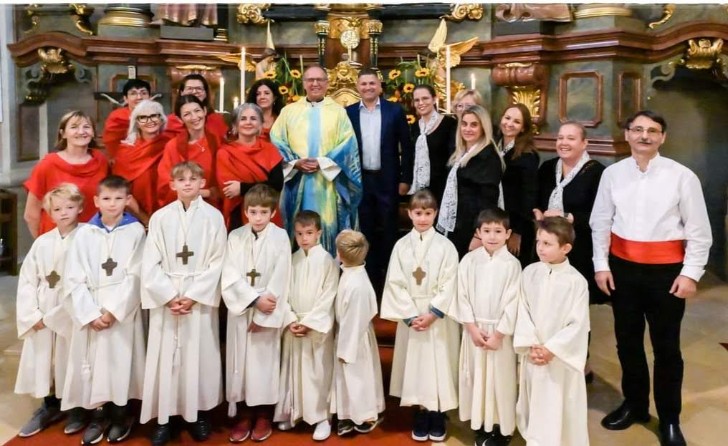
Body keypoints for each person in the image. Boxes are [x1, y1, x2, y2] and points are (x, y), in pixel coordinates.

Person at [590, 110, 712, 446]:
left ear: (663, 137)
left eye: (653, 131)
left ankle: (670, 418)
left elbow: (699, 231)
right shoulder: (613, 174)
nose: (645, 135)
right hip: (623, 270)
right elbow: (601, 221)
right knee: (627, 342)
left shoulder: (682, 176)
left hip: (666, 273)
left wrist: (690, 273)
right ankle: (635, 405)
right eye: (638, 129)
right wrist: (601, 264)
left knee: (666, 348)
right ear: (627, 134)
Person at [140, 161, 226, 446]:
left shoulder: (213, 217)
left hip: (197, 298)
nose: (187, 183)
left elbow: (218, 261)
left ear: (202, 183)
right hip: (167, 296)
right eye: (181, 179)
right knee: (166, 358)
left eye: (193, 178)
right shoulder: (160, 218)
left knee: (198, 355)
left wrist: (193, 296)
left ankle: (198, 414)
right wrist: (167, 295)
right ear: (172, 184)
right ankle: (164, 418)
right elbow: (149, 261)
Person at [61, 175, 146, 445]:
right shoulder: (85, 233)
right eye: (106, 198)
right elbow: (73, 277)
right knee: (93, 364)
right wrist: (90, 314)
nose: (112, 204)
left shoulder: (136, 231)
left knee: (120, 363)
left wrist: (113, 311)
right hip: (92, 307)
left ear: (127, 200)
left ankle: (121, 415)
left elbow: (136, 275)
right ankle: (98, 415)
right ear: (96, 201)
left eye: (118, 198)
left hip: (121, 312)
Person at [381, 190, 460, 443]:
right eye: (418, 213)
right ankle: (421, 412)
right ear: (409, 213)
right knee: (416, 366)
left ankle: (437, 412)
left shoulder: (446, 246)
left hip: (437, 318)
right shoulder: (401, 246)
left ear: (435, 213)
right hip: (412, 315)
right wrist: (410, 315)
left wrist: (433, 313)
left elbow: (451, 282)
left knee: (438, 364)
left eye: (428, 213)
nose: (423, 218)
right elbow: (394, 282)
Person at [534, 121, 606, 382]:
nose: (564, 142)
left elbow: (602, 214)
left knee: (575, 310)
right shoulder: (547, 168)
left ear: (584, 143)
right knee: (548, 305)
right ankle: (546, 355)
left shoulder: (597, 172)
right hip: (546, 249)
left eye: (571, 138)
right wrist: (537, 213)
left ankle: (580, 362)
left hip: (578, 251)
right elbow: (536, 200)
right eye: (560, 137)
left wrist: (569, 217)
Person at [221, 184, 292, 443]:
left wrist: (265, 314)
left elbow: (282, 277)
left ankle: (263, 413)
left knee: (263, 363)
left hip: (267, 310)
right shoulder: (235, 237)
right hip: (242, 308)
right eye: (253, 212)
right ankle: (243, 412)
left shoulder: (281, 237)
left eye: (264, 212)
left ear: (273, 213)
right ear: (245, 212)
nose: (258, 217)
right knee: (239, 361)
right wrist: (253, 300)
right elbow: (229, 274)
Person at [270, 64, 362, 256]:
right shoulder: (289, 111)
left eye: (319, 79)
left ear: (327, 83)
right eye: (310, 80)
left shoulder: (338, 112)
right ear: (303, 83)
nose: (315, 84)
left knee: (326, 224)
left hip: (327, 184)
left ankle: (327, 267)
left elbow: (348, 144)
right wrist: (295, 163)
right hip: (296, 181)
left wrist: (323, 162)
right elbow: (276, 140)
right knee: (298, 225)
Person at [15, 184, 83, 438]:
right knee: (47, 359)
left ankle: (77, 408)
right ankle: (50, 404)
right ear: (49, 213)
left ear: (80, 207)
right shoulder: (42, 242)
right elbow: (27, 280)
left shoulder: (88, 238)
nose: (63, 213)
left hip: (71, 308)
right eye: (57, 209)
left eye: (69, 207)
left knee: (71, 357)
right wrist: (32, 315)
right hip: (43, 309)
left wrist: (59, 315)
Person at [514, 217, 590, 446]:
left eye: (547, 244)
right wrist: (531, 343)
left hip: (559, 359)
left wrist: (551, 349)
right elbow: (522, 309)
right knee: (535, 404)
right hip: (533, 352)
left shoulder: (576, 282)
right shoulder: (530, 273)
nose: (540, 248)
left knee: (559, 406)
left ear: (565, 248)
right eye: (538, 241)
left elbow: (578, 324)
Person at [455, 208, 520, 446]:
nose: (492, 236)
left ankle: (502, 428)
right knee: (478, 378)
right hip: (475, 332)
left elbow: (514, 303)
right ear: (478, 233)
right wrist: (471, 328)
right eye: (487, 230)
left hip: (499, 335)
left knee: (500, 381)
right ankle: (482, 423)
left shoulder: (512, 265)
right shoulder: (469, 261)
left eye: (498, 231)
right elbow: (461, 295)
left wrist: (499, 335)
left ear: (508, 234)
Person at [346, 67, 414, 293]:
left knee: (388, 229)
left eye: (372, 83)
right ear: (358, 87)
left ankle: (390, 281)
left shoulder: (394, 111)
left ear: (379, 86)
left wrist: (406, 178)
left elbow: (407, 147)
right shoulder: (349, 113)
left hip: (388, 180)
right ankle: (369, 280)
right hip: (361, 181)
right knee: (365, 230)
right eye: (364, 84)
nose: (368, 87)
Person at [274, 210, 339, 440]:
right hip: (296, 323)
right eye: (300, 233)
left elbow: (329, 295)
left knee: (317, 372)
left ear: (319, 233)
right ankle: (296, 413)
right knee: (295, 370)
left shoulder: (327, 261)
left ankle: (322, 417)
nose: (304, 238)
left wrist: (310, 322)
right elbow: (283, 292)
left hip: (316, 326)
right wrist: (291, 318)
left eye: (309, 233)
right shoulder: (292, 260)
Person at [332, 229, 385, 436]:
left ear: (340, 254)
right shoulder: (351, 273)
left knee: (359, 378)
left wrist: (346, 349)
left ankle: (366, 415)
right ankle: (347, 414)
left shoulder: (356, 284)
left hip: (354, 339)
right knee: (349, 380)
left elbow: (353, 320)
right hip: (350, 335)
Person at [24, 110, 109, 238]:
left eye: (86, 127)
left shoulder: (101, 160)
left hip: (93, 237)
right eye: (74, 127)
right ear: (63, 133)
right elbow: (31, 214)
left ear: (93, 133)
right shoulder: (48, 165)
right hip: (59, 238)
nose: (81, 131)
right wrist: (43, 243)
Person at [436, 104, 503, 258]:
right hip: (456, 224)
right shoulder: (460, 152)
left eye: (474, 125)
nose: (467, 129)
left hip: (471, 229)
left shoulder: (489, 157)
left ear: (483, 128)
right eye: (464, 124)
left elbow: (488, 202)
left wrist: (479, 235)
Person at [216, 103, 284, 231]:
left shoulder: (270, 149)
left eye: (253, 118)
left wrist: (242, 188)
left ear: (260, 124)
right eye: (243, 119)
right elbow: (229, 190)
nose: (248, 122)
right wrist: (261, 185)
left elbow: (277, 184)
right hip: (238, 213)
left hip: (267, 210)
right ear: (235, 125)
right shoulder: (225, 153)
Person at [113, 99, 172, 226]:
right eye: (143, 117)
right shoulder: (126, 151)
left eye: (154, 115)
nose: (149, 121)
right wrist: (145, 220)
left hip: (169, 214)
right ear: (137, 123)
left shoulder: (171, 144)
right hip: (135, 217)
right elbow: (120, 190)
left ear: (161, 119)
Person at [157, 95, 220, 209]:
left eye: (197, 111)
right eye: (187, 114)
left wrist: (208, 193)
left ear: (205, 111)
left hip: (213, 207)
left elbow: (225, 180)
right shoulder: (173, 146)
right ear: (180, 119)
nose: (194, 117)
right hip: (182, 208)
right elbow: (165, 183)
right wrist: (194, 194)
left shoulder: (218, 142)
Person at [496, 103, 539, 267]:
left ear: (523, 128)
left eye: (516, 121)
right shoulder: (494, 146)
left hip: (516, 224)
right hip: (495, 220)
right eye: (507, 118)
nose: (509, 123)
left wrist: (517, 232)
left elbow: (528, 196)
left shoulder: (528, 155)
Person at [408, 84, 457, 205]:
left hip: (444, 185)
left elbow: (454, 156)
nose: (421, 103)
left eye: (425, 98)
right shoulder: (414, 127)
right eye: (417, 100)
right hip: (420, 188)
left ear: (434, 99)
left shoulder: (449, 124)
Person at [166, 73, 228, 140]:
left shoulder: (216, 119)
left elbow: (223, 142)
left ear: (205, 93)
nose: (194, 92)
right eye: (189, 88)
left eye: (199, 88)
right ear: (181, 92)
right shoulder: (171, 121)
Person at [102, 78, 151, 161]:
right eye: (133, 93)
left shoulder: (156, 116)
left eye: (143, 93)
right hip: (124, 159)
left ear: (150, 97)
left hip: (150, 159)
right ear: (125, 99)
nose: (139, 97)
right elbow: (111, 144)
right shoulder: (117, 117)